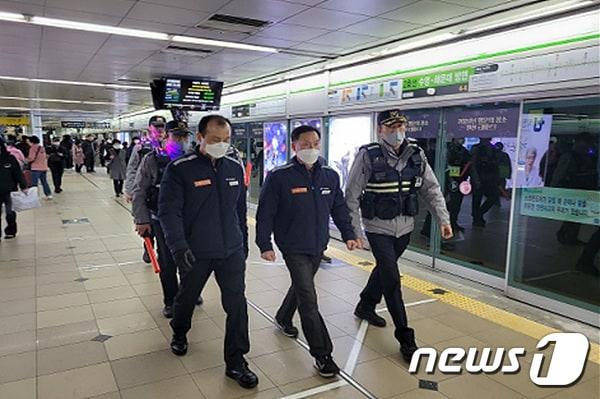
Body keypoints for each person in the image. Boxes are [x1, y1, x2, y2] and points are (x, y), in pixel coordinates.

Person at [158, 114, 257, 389]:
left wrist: (244, 242)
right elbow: (169, 212)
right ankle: (179, 331)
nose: (221, 145)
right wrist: (178, 246)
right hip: (196, 251)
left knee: (237, 305)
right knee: (187, 297)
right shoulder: (180, 169)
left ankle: (237, 362)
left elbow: (239, 211)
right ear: (199, 137)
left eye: (226, 140)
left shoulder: (235, 168)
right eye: (215, 140)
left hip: (231, 250)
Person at [345, 109, 452, 363]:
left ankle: (365, 305)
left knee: (384, 270)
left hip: (405, 229)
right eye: (390, 126)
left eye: (401, 125)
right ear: (380, 130)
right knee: (392, 280)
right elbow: (351, 195)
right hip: (377, 228)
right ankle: (406, 338)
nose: (396, 131)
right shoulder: (368, 155)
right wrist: (354, 232)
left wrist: (443, 220)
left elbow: (432, 189)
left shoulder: (416, 154)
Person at [256, 125, 360, 378]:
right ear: (294, 146)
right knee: (308, 298)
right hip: (292, 245)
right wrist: (264, 244)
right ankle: (323, 354)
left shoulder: (330, 175)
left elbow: (338, 207)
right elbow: (265, 212)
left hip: (317, 244)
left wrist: (349, 234)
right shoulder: (280, 176)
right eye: (305, 144)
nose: (310, 148)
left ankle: (282, 316)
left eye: (315, 143)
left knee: (302, 287)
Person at [132, 120, 201, 319]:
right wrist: (141, 220)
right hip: (161, 219)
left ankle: (190, 293)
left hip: (190, 219)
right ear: (166, 136)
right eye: (176, 136)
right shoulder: (152, 160)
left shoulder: (196, 159)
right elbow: (140, 190)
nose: (181, 141)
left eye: (184, 136)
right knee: (168, 261)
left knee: (192, 258)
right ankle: (170, 301)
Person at [125, 115, 167, 264]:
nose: (160, 130)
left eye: (162, 127)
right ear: (150, 128)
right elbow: (132, 168)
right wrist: (129, 189)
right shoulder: (141, 147)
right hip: (144, 189)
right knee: (148, 224)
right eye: (156, 127)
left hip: (161, 192)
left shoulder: (170, 146)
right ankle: (148, 249)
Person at [0, 134, 28, 240]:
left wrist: (23, 186)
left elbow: (17, 173)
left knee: (10, 213)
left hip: (10, 191)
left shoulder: (10, 158)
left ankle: (10, 231)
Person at [470, 137, 501, 227]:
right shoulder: (477, 148)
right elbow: (473, 165)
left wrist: (496, 178)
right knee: (477, 200)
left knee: (493, 197)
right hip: (479, 178)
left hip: (490, 178)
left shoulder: (493, 149)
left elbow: (496, 165)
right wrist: (476, 179)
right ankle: (477, 218)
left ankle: (478, 214)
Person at [27, 135, 52, 200]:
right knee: (44, 182)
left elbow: (31, 158)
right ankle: (48, 194)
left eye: (29, 141)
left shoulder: (32, 148)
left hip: (35, 168)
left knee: (34, 183)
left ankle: (34, 196)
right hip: (44, 167)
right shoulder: (42, 147)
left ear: (32, 142)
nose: (28, 143)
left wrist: (26, 160)